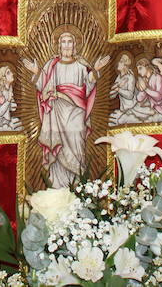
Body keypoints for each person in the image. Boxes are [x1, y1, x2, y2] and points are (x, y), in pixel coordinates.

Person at [21, 31, 104, 189]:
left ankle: (77, 187)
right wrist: (35, 71)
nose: (67, 45)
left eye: (69, 41)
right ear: (59, 46)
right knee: (57, 148)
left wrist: (95, 71)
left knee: (76, 144)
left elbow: (89, 88)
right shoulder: (52, 65)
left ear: (74, 45)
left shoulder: (81, 66)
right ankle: (58, 188)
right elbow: (42, 87)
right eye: (63, 42)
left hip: (76, 113)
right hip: (56, 113)